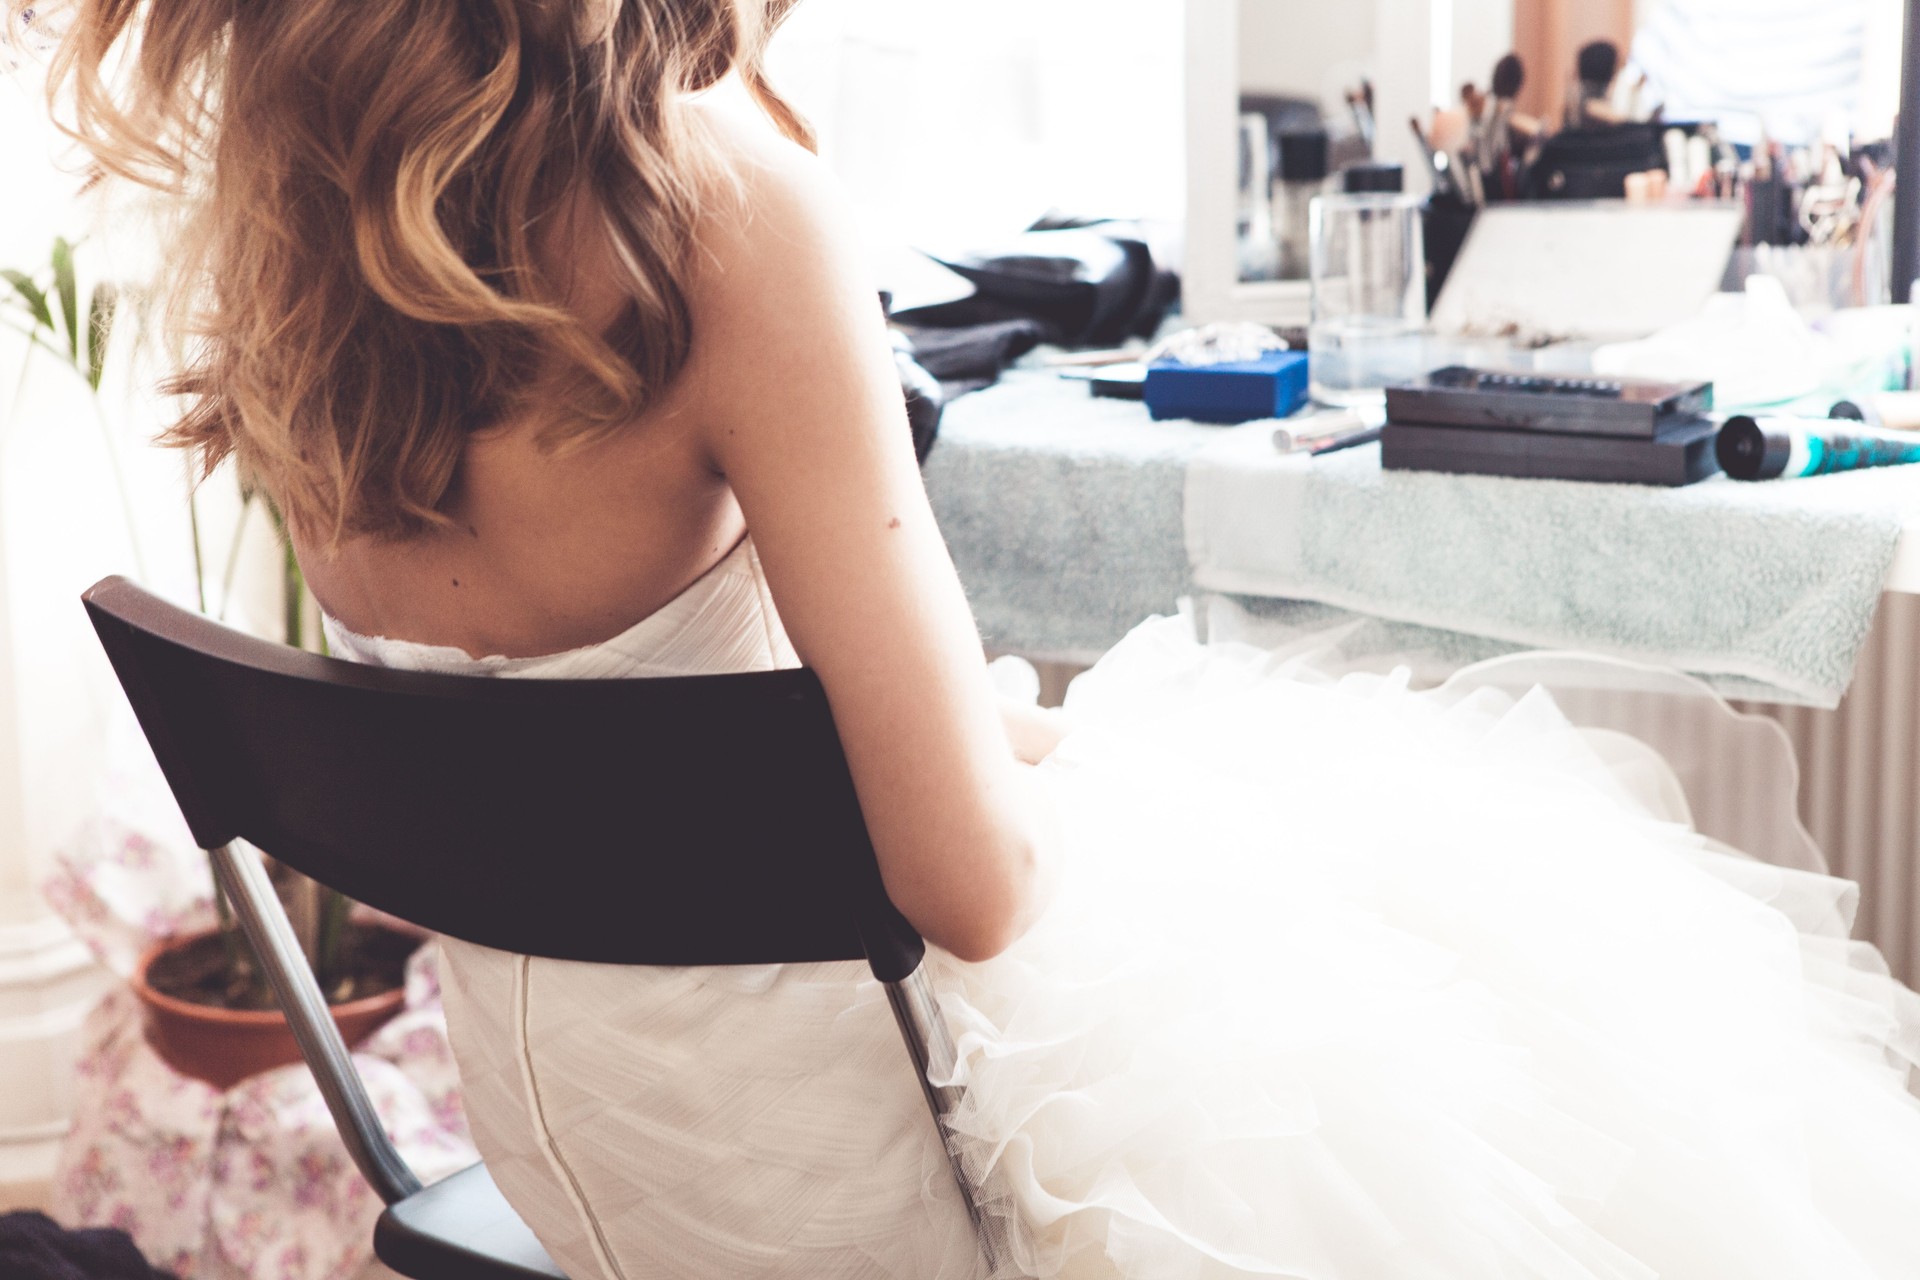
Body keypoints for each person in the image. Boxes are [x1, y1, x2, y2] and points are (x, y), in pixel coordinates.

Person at [21, 0, 1920, 1276]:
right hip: (807, 1160)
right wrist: (1042, 752)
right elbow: (974, 892)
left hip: (543, 1119)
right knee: (1511, 1009)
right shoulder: (715, 206)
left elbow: (633, 730)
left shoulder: (297, 243)